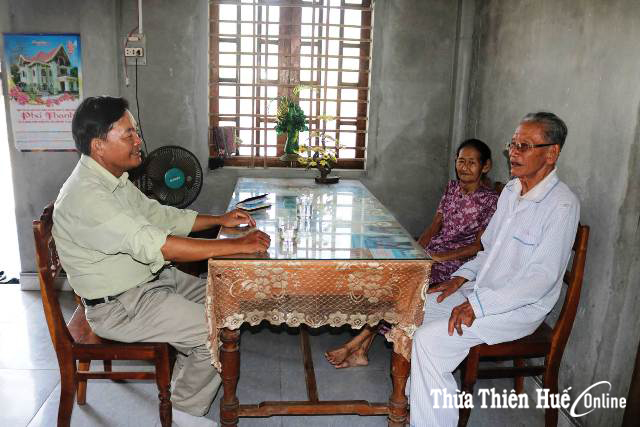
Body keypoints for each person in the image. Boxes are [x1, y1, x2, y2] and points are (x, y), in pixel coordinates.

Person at [52, 96, 271, 427]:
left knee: (227, 300)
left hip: (150, 281)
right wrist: (234, 245)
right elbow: (162, 247)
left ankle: (183, 384)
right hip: (120, 306)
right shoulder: (88, 198)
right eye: (128, 134)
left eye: (136, 132)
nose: (138, 141)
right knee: (213, 332)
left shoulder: (111, 179)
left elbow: (159, 215)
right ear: (99, 145)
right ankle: (182, 414)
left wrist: (219, 220)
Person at [409, 112, 580, 427]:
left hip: (517, 309)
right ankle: (417, 402)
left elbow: (540, 280)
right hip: (481, 290)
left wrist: (477, 304)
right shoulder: (512, 190)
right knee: (413, 309)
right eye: (512, 144)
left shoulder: (562, 205)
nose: (513, 152)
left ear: (551, 153)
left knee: (430, 341)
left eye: (524, 146)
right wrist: (461, 277)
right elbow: (489, 250)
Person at [325, 139, 499, 369]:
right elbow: (435, 225)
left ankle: (356, 345)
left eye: (471, 162)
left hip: (459, 263)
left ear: (485, 166)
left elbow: (479, 246)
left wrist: (441, 257)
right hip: (434, 254)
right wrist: (416, 250)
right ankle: (360, 350)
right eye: (460, 161)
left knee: (402, 289)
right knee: (391, 276)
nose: (464, 167)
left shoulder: (491, 201)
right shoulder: (452, 188)